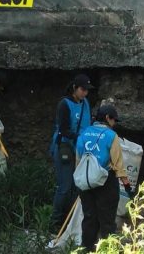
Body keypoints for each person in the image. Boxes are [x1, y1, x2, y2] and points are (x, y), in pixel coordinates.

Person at [76, 105, 130, 252]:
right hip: (105, 182)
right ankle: (108, 249)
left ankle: (86, 249)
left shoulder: (84, 133)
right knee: (107, 221)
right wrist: (126, 183)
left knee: (89, 219)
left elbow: (79, 160)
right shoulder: (111, 136)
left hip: (85, 182)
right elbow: (118, 164)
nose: (114, 124)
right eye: (114, 120)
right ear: (107, 118)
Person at [50, 74, 94, 231]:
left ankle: (70, 222)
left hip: (81, 149)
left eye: (87, 90)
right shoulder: (65, 104)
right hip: (66, 148)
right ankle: (55, 223)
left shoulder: (85, 103)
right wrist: (80, 137)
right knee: (65, 187)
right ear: (75, 88)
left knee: (77, 187)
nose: (85, 93)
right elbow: (64, 129)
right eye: (83, 90)